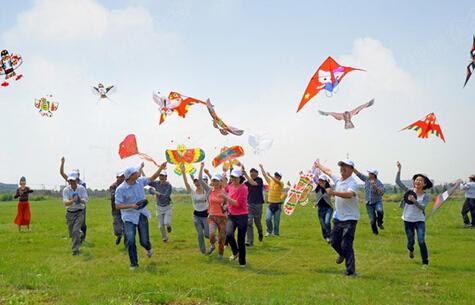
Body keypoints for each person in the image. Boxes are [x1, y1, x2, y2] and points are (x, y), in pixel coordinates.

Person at [115, 162, 167, 269]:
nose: (138, 173)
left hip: (142, 214)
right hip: (129, 217)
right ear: (130, 176)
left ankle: (148, 248)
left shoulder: (140, 182)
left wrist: (161, 168)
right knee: (130, 240)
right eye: (135, 173)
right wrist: (132, 206)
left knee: (144, 241)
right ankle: (134, 264)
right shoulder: (120, 189)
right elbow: (117, 206)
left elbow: (152, 178)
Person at [316, 159, 360, 276]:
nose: (342, 168)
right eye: (341, 166)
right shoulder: (338, 180)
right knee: (334, 242)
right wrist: (318, 165)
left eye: (345, 166)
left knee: (347, 244)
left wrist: (334, 193)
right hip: (338, 218)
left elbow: (350, 194)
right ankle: (342, 254)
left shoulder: (353, 183)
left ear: (351, 169)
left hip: (350, 218)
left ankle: (351, 272)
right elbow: (328, 171)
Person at [395, 161, 432, 268]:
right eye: (416, 180)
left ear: (424, 184)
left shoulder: (425, 196)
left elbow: (423, 207)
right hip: (407, 219)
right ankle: (410, 249)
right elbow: (397, 182)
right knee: (411, 240)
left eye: (420, 180)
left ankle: (425, 262)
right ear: (414, 182)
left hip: (419, 220)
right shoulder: (408, 190)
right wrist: (399, 169)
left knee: (421, 240)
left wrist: (415, 201)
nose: (418, 181)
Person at [181, 162, 210, 254]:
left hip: (206, 215)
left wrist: (202, 167)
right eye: (195, 181)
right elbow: (186, 183)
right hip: (196, 215)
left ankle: (216, 239)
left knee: (207, 234)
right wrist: (183, 172)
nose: (197, 183)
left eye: (198, 181)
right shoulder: (192, 191)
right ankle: (203, 251)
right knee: (200, 234)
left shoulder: (207, 191)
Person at [225, 167, 249, 267]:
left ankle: (242, 262)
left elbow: (237, 203)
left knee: (241, 240)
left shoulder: (244, 188)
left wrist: (226, 198)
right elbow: (223, 186)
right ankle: (235, 252)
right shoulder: (230, 186)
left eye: (235, 178)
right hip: (232, 216)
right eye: (232, 177)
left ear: (240, 178)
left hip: (242, 216)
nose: (233, 179)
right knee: (229, 234)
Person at [60, 157, 87, 242]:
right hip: (71, 208)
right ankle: (78, 234)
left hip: (81, 206)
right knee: (72, 230)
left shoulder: (82, 184)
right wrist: (62, 163)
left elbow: (85, 198)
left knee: (82, 224)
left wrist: (79, 199)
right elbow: (62, 173)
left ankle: (81, 237)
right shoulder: (69, 181)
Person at [354, 167, 385, 235]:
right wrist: (351, 167)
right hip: (368, 203)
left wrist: (375, 187)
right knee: (372, 220)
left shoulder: (379, 183)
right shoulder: (366, 179)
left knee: (380, 211)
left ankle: (379, 222)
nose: (368, 174)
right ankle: (375, 233)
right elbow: (358, 174)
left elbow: (382, 193)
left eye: (369, 173)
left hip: (377, 201)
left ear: (373, 174)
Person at [62, 174, 88, 256]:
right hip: (70, 213)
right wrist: (73, 200)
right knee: (72, 233)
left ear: (76, 180)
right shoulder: (66, 190)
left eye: (73, 180)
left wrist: (80, 200)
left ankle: (75, 250)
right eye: (70, 181)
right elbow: (65, 203)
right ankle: (80, 234)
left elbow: (86, 200)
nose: (71, 182)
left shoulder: (81, 188)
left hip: (79, 212)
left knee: (75, 231)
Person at [206, 173, 229, 260]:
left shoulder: (224, 192)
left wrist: (225, 206)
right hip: (212, 216)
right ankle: (212, 245)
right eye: (213, 180)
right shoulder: (210, 191)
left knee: (222, 237)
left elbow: (227, 204)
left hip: (222, 218)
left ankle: (220, 254)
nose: (215, 182)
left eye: (216, 181)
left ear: (220, 182)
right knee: (211, 234)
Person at [260, 164, 284, 237]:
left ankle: (276, 233)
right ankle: (269, 231)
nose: (276, 176)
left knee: (276, 221)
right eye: (275, 175)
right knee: (268, 219)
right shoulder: (270, 182)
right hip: (270, 204)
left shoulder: (281, 183)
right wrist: (262, 168)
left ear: (280, 177)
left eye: (277, 176)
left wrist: (270, 176)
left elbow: (276, 181)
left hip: (278, 205)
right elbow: (264, 175)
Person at [149, 170, 173, 243]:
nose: (161, 177)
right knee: (160, 225)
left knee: (166, 223)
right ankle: (165, 238)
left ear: (166, 177)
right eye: (160, 176)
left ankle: (169, 227)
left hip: (167, 207)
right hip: (159, 207)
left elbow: (165, 197)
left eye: (163, 176)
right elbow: (148, 181)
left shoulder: (169, 186)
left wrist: (155, 192)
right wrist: (142, 170)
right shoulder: (156, 183)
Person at [245, 167, 265, 246]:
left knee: (258, 222)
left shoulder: (259, 180)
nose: (252, 173)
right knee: (249, 222)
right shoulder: (246, 183)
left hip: (258, 204)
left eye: (254, 172)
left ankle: (260, 232)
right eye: (251, 172)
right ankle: (250, 241)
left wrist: (245, 174)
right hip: (249, 204)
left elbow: (253, 183)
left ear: (257, 173)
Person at [314, 174, 333, 243]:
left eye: (322, 180)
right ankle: (326, 237)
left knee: (327, 222)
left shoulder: (328, 188)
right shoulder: (317, 188)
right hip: (320, 209)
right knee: (323, 225)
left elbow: (329, 194)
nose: (320, 181)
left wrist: (324, 187)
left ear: (325, 181)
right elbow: (318, 197)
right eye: (320, 180)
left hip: (328, 208)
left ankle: (330, 236)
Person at [110, 171, 126, 245]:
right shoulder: (113, 186)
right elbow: (113, 196)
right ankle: (119, 235)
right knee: (117, 228)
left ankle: (127, 244)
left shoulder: (127, 185)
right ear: (117, 177)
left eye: (123, 176)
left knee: (127, 227)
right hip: (116, 210)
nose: (122, 178)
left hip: (126, 209)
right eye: (120, 177)